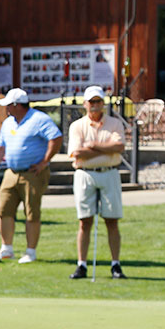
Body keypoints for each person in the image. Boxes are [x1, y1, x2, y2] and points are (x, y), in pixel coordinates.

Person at [0, 88, 62, 263]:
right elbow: (0, 148)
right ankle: (6, 249)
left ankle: (30, 251)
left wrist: (44, 162)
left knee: (31, 213)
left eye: (8, 105)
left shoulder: (39, 119)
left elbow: (56, 138)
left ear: (17, 105)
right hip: (11, 172)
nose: (6, 108)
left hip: (33, 173)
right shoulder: (9, 123)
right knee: (3, 210)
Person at [67, 85, 127, 279]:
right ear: (85, 104)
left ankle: (115, 264)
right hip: (85, 173)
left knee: (112, 220)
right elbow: (77, 153)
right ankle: (81, 264)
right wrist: (105, 148)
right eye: (91, 102)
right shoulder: (77, 126)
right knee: (85, 221)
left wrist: (92, 146)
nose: (95, 105)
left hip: (109, 172)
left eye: (98, 102)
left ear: (103, 103)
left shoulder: (115, 123)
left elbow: (119, 147)